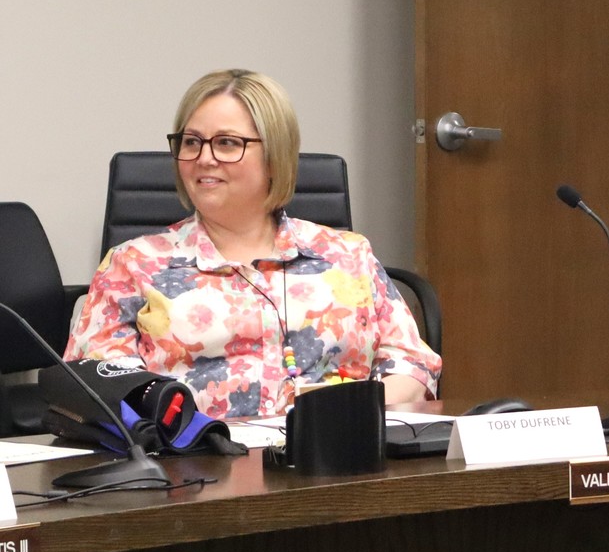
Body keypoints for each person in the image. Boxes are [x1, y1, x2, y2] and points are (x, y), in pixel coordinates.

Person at [66, 68, 441, 419]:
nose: (204, 158)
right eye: (191, 142)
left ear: (276, 157)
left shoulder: (347, 255)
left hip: (336, 460)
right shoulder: (132, 265)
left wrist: (349, 410)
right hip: (193, 468)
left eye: (227, 143)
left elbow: (412, 363)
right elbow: (101, 388)